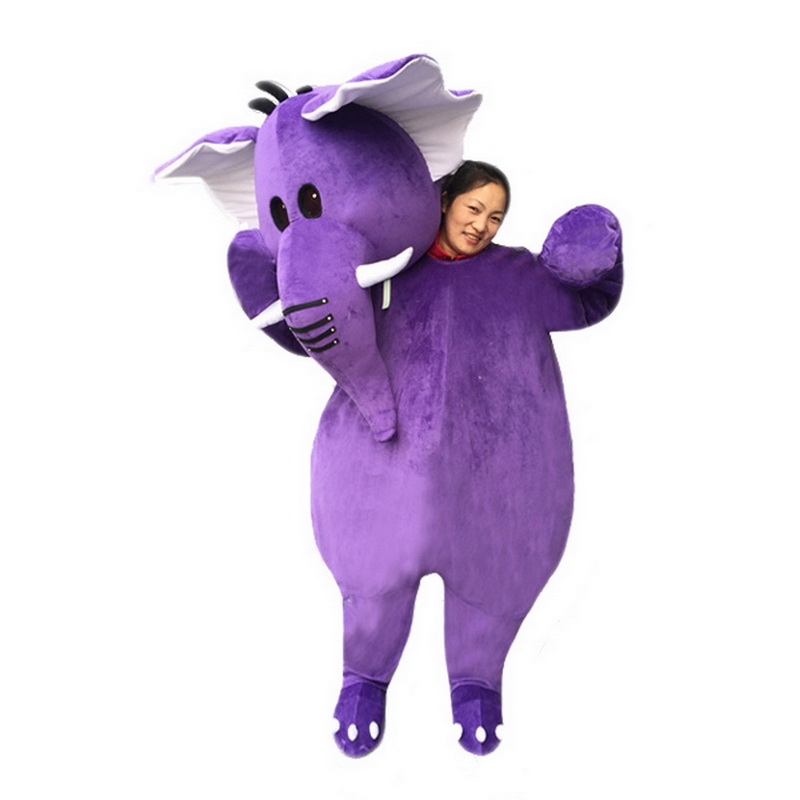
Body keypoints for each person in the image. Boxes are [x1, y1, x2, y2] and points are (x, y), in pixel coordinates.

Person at [428, 160, 510, 260]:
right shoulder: (413, 256)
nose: (480, 227)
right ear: (445, 202)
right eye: (474, 209)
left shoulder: (512, 264)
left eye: (495, 218)